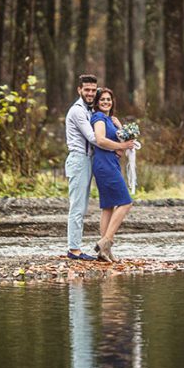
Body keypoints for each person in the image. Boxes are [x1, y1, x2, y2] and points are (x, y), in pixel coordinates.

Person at [64, 75, 134, 260]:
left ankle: (104, 248)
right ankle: (74, 249)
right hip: (79, 160)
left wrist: (119, 132)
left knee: (104, 205)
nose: (90, 93)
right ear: (79, 89)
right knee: (78, 206)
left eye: (92, 90)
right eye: (86, 89)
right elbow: (95, 139)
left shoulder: (91, 112)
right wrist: (121, 145)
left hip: (91, 160)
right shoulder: (79, 111)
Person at [90, 88, 133, 262]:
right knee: (126, 202)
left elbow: (122, 140)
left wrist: (119, 126)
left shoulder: (110, 119)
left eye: (109, 99)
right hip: (104, 164)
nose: (106, 102)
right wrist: (122, 147)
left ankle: (104, 252)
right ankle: (106, 241)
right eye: (102, 100)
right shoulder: (99, 118)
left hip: (110, 162)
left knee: (108, 206)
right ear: (97, 102)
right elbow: (100, 140)